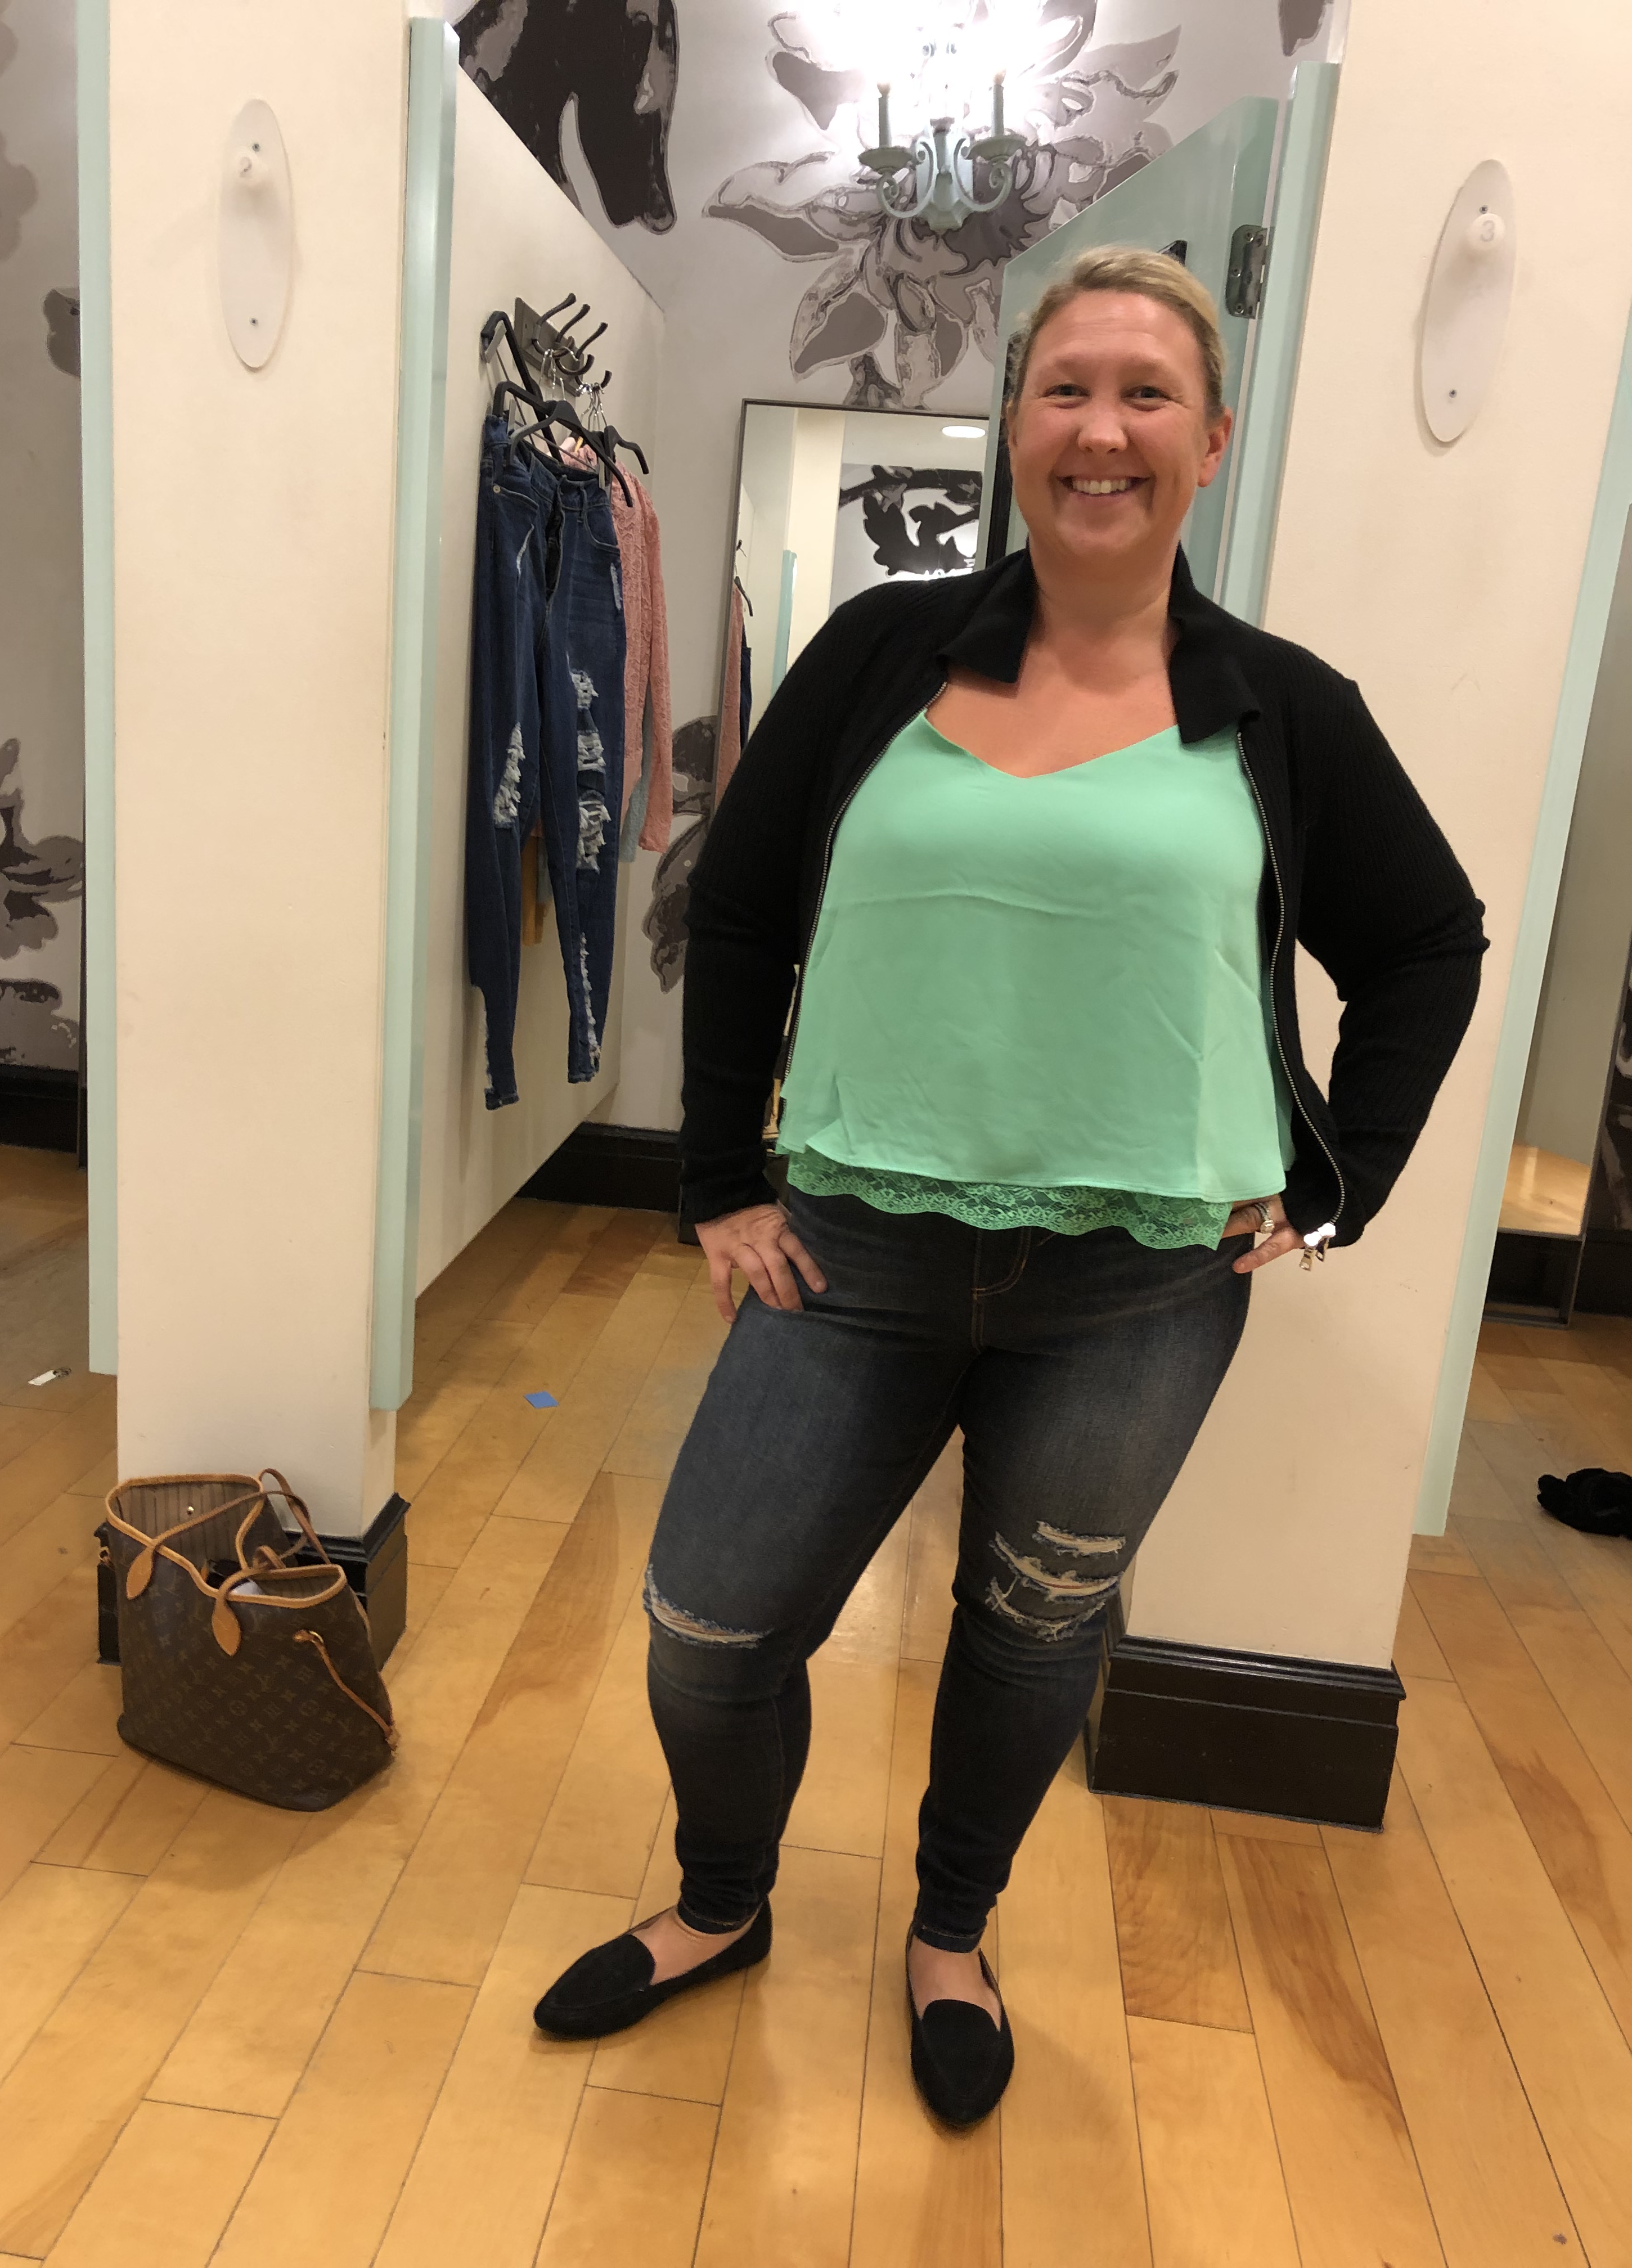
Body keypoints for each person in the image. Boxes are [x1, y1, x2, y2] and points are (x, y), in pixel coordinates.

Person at [532, 245, 1489, 2125]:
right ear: (1014, 423)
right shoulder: (884, 653)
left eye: (1146, 393)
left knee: (1031, 1632)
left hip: (1141, 1286)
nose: (1101, 430)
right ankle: (722, 1903)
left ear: (1211, 440)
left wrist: (1340, 1182)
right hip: (851, 1253)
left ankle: (951, 1937)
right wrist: (718, 1179)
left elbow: (1426, 942)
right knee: (709, 1629)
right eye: (1065, 388)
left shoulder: (1279, 707)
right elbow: (744, 905)